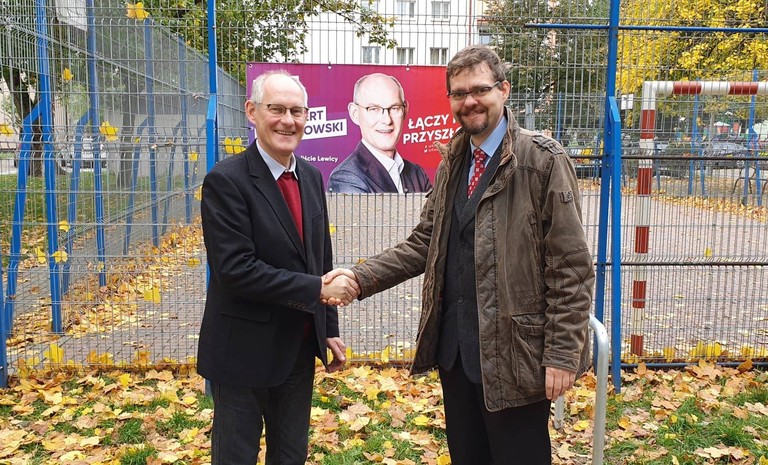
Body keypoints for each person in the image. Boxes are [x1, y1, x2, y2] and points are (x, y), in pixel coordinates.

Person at [325, 45, 594, 464]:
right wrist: (360, 279)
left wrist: (561, 353)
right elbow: (424, 242)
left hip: (516, 355)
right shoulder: (454, 160)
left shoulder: (541, 161)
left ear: (503, 90)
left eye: (480, 89)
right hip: (457, 354)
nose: (470, 101)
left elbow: (570, 267)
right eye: (459, 93)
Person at [197, 69, 360, 465]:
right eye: (277, 109)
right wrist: (317, 290)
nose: (288, 121)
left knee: (290, 455)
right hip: (243, 353)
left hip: (297, 349)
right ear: (252, 112)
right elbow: (236, 270)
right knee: (235, 457)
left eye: (297, 111)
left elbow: (319, 257)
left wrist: (327, 328)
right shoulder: (226, 181)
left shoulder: (311, 176)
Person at [327, 73, 432, 193]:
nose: (387, 120)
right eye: (374, 109)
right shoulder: (345, 178)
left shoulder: (417, 174)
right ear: (355, 114)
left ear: (405, 111)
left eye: (394, 108)